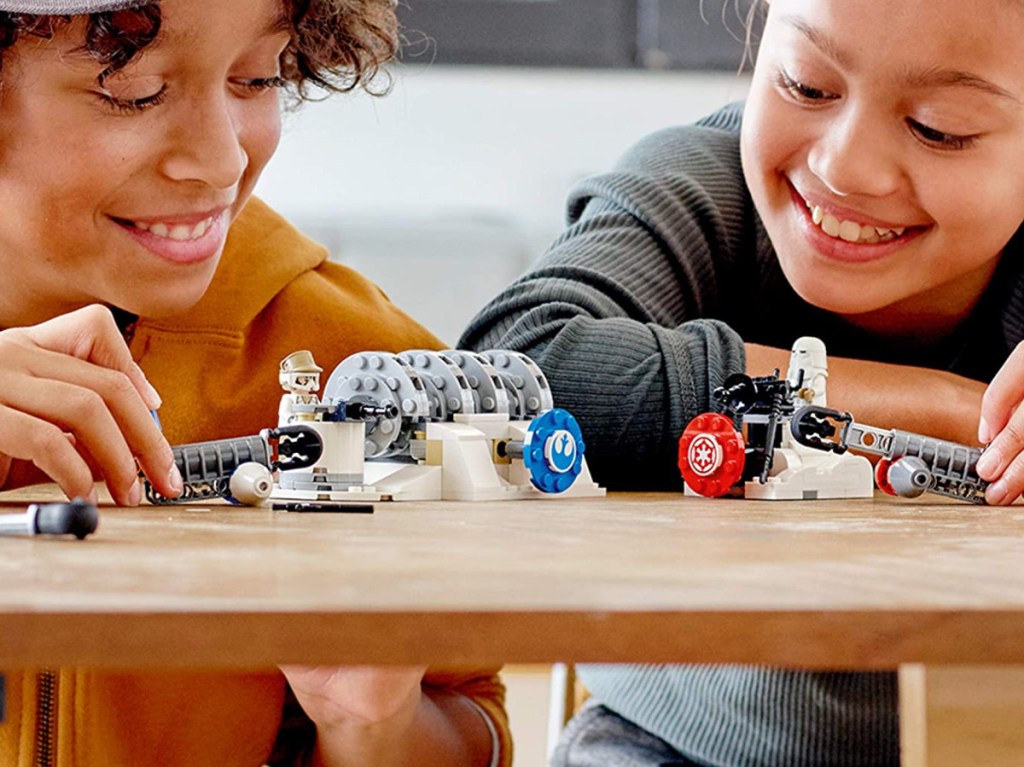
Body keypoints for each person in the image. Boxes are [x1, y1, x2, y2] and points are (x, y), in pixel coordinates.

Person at [461, 0, 1024, 764]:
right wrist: (957, 410)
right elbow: (520, 364)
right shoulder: (702, 185)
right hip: (672, 743)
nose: (842, 167)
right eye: (806, 85)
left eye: (938, 128)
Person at [0, 1, 507, 765]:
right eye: (135, 90)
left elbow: (476, 724)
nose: (222, 159)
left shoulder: (361, 371)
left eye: (257, 76)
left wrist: (372, 727)